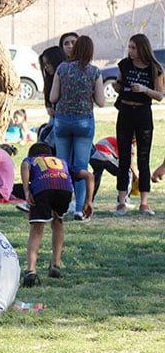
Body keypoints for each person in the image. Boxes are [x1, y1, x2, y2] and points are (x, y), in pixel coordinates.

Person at [20, 143, 94, 287]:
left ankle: (31, 270)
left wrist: (26, 190)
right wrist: (88, 201)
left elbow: (25, 165)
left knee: (37, 228)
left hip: (42, 188)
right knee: (58, 221)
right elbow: (89, 175)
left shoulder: (31, 160)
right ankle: (56, 264)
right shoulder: (62, 162)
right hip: (64, 189)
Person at [50, 35, 104, 220]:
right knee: (81, 166)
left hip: (62, 121)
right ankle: (80, 209)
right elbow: (101, 102)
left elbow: (53, 97)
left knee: (62, 166)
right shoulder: (94, 72)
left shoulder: (62, 68)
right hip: (84, 122)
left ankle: (61, 206)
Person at [112, 33, 165, 216]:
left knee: (143, 157)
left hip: (143, 112)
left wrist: (144, 89)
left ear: (142, 48)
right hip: (126, 111)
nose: (130, 51)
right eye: (129, 47)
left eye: (133, 47)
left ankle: (144, 202)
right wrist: (117, 87)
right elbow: (119, 84)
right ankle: (121, 201)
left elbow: (160, 95)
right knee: (124, 157)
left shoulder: (154, 68)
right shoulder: (124, 64)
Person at [90, 136, 136, 201]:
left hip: (94, 156)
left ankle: (90, 199)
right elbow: (131, 165)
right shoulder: (128, 145)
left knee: (97, 174)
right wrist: (137, 178)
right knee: (127, 172)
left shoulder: (117, 139)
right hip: (105, 154)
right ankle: (124, 199)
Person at [39, 45, 67, 117]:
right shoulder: (49, 80)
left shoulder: (67, 78)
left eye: (48, 63)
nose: (46, 67)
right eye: (44, 65)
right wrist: (49, 107)